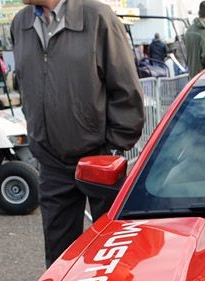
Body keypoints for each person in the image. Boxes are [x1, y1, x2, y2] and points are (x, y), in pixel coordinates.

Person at [12, 0, 144, 267]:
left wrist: (114, 148)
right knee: (60, 259)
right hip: (51, 161)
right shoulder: (21, 24)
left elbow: (126, 87)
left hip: (99, 158)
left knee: (112, 255)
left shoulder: (97, 17)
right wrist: (37, 137)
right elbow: (26, 84)